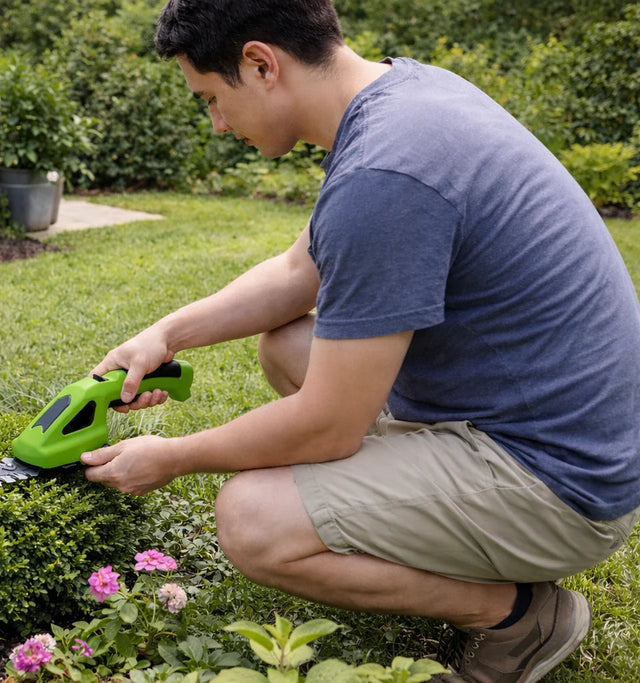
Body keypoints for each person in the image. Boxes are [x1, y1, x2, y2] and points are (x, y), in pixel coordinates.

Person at [77, 1, 640, 682]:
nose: (217, 123)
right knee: (286, 343)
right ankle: (396, 516)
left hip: (559, 486)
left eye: (211, 99)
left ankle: (518, 616)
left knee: (253, 518)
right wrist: (163, 333)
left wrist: (170, 457)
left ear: (261, 64)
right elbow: (296, 272)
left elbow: (328, 427)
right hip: (527, 421)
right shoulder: (404, 98)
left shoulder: (387, 174)